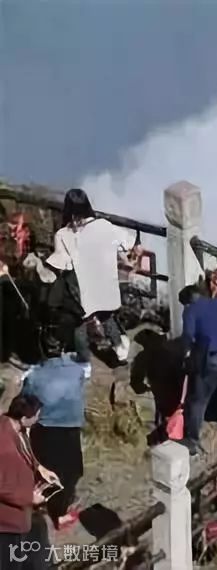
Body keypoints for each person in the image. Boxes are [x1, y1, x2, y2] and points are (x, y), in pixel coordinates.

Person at [45, 189, 142, 364]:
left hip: (81, 289)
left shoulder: (63, 235)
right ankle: (119, 349)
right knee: (106, 315)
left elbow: (63, 264)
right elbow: (131, 244)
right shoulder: (105, 226)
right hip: (105, 284)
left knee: (80, 324)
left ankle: (84, 361)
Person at [19, 328, 90, 531]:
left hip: (46, 430)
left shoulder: (34, 376)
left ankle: (41, 505)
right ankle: (60, 512)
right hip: (71, 429)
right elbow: (84, 357)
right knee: (71, 471)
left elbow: (25, 400)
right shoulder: (76, 370)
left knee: (45, 471)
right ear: (63, 348)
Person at [178, 282, 217, 456]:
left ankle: (192, 440)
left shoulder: (191, 310)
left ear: (187, 302)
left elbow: (187, 338)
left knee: (197, 399)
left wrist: (186, 359)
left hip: (214, 358)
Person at [0, 394, 51, 570]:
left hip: (23, 513)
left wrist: (39, 468)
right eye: (36, 415)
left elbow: (25, 451)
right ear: (24, 418)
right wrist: (30, 498)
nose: (38, 418)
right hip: (8, 521)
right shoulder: (4, 447)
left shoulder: (14, 427)